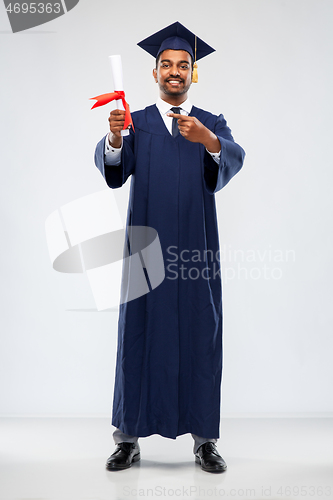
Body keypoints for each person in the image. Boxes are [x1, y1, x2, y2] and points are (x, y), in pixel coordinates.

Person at [94, 21, 245, 473]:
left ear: (193, 72)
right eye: (166, 64)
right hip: (146, 251)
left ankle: (204, 441)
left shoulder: (210, 123)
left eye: (183, 65)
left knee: (201, 336)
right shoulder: (137, 122)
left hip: (195, 253)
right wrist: (117, 137)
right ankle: (127, 439)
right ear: (155, 72)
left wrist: (208, 141)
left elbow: (232, 157)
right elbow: (115, 171)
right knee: (137, 334)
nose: (174, 71)